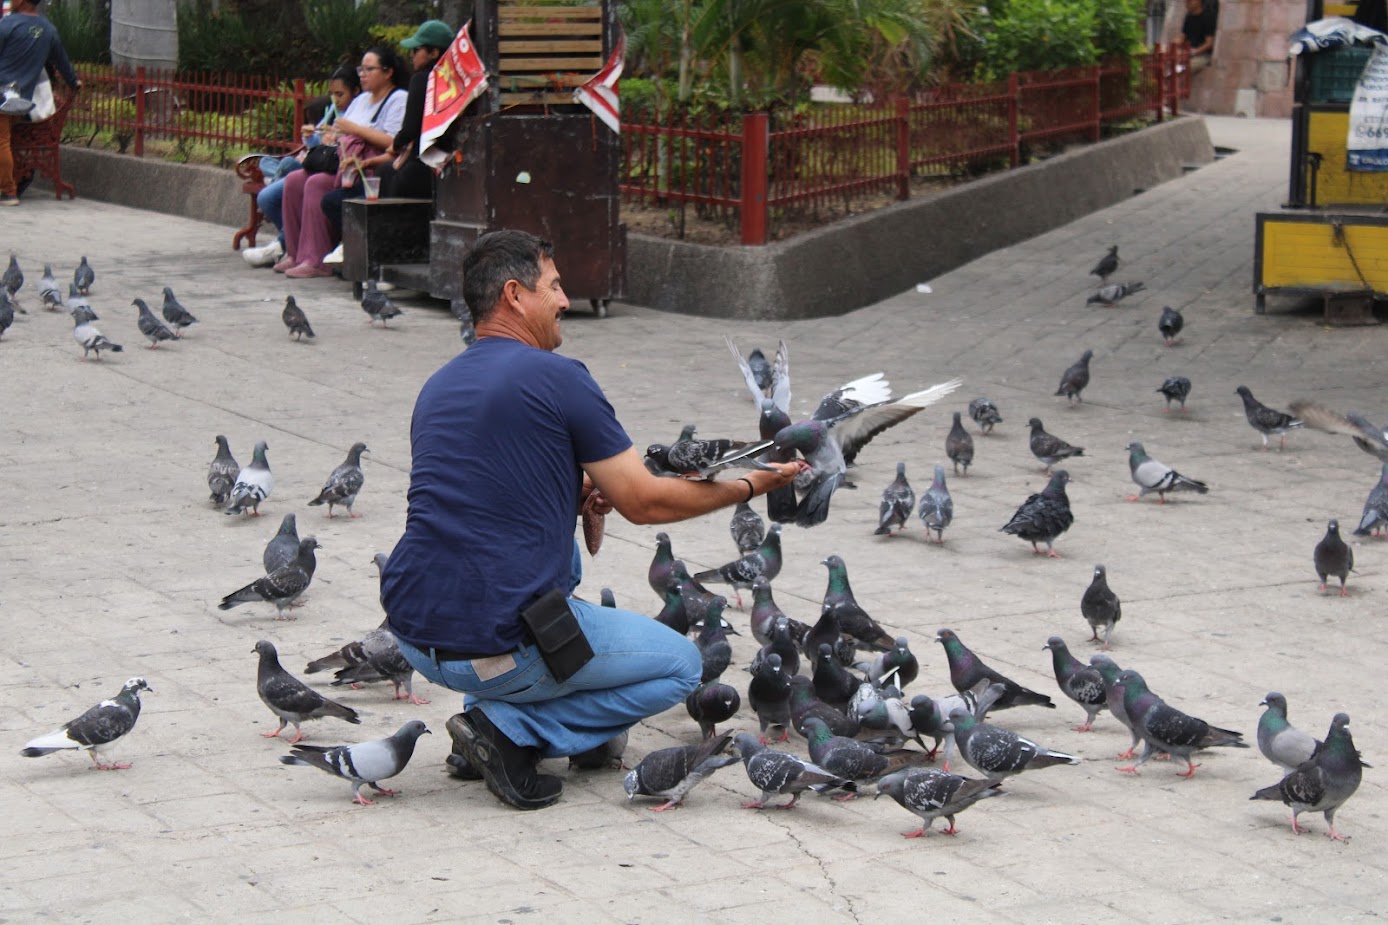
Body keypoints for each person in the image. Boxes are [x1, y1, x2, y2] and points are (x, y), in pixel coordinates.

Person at [381, 230, 806, 811]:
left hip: (414, 634)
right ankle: (507, 730)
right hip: (496, 648)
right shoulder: (561, 376)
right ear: (514, 294)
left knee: (545, 559)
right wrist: (751, 483)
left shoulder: (438, 385)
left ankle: (500, 719)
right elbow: (645, 503)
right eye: (554, 287)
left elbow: (475, 494)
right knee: (682, 666)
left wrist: (570, 489)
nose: (563, 301)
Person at [275, 45, 406, 278]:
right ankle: (295, 253)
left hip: (369, 168)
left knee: (316, 184)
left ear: (388, 72)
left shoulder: (398, 99)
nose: (363, 74)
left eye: (369, 69)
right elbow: (342, 133)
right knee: (294, 180)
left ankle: (317, 259)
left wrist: (354, 129)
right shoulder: (362, 100)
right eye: (361, 69)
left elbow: (394, 142)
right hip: (342, 162)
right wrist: (329, 135)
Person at [243, 66, 361, 268]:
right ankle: (290, 246)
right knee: (276, 171)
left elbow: (348, 147)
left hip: (335, 168)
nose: (335, 99)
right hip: (317, 162)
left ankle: (284, 245)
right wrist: (311, 137)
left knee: (289, 179)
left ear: (355, 91)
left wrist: (335, 137)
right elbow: (317, 148)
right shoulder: (334, 111)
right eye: (332, 94)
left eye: (340, 94)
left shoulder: (357, 111)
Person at [0, 0, 80, 206]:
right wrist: (74, 82)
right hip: (21, 101)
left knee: (2, 143)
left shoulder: (8, 25)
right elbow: (62, 63)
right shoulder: (48, 30)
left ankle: (8, 191)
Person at [379, 19, 451, 199]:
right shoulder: (455, 81)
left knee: (385, 172)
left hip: (422, 167)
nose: (411, 55)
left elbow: (410, 130)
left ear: (434, 52)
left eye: (416, 50)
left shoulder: (422, 79)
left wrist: (394, 146)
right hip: (449, 167)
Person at [1181, 0, 1218, 73]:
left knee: (1185, 68)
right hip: (1188, 54)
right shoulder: (1188, 17)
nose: (1187, 3)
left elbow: (1209, 43)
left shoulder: (1208, 17)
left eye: (1190, 1)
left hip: (1203, 55)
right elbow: (1182, 37)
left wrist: (1194, 52)